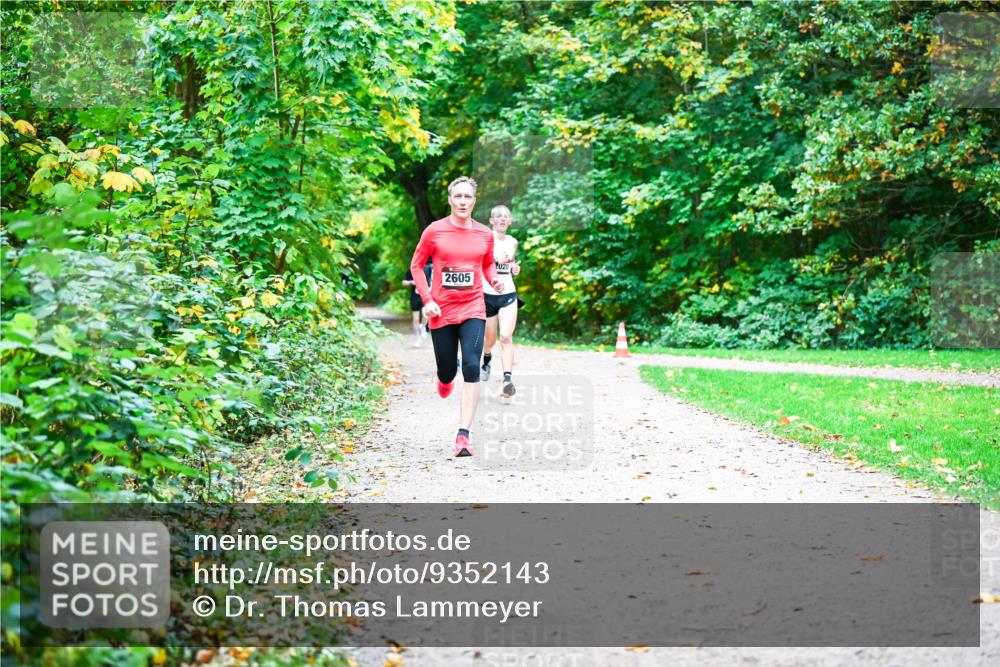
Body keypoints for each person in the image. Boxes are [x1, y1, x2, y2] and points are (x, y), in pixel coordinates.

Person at [409, 176, 504, 457]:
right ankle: (444, 377)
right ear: (450, 200)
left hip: (473, 307)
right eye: (458, 196)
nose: (463, 201)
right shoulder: (434, 231)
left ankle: (463, 435)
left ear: (474, 201)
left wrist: (494, 279)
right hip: (441, 310)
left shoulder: (484, 234)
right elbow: (416, 266)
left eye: (468, 197)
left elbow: (487, 264)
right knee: (448, 369)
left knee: (472, 366)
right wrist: (427, 300)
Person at [480, 205, 521, 397]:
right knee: (489, 340)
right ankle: (487, 358)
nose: (502, 219)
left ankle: (507, 380)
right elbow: (479, 263)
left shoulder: (513, 242)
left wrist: (514, 269)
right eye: (498, 216)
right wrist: (495, 259)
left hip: (508, 293)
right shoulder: (485, 239)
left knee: (505, 336)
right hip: (487, 294)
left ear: (510, 221)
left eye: (506, 216)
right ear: (491, 221)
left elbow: (510, 265)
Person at [402, 260, 432, 347]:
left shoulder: (428, 268)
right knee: (415, 319)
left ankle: (423, 327)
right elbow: (403, 282)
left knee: (426, 315)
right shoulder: (411, 269)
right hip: (414, 297)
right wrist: (411, 282)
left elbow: (433, 278)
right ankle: (417, 338)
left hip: (425, 295)